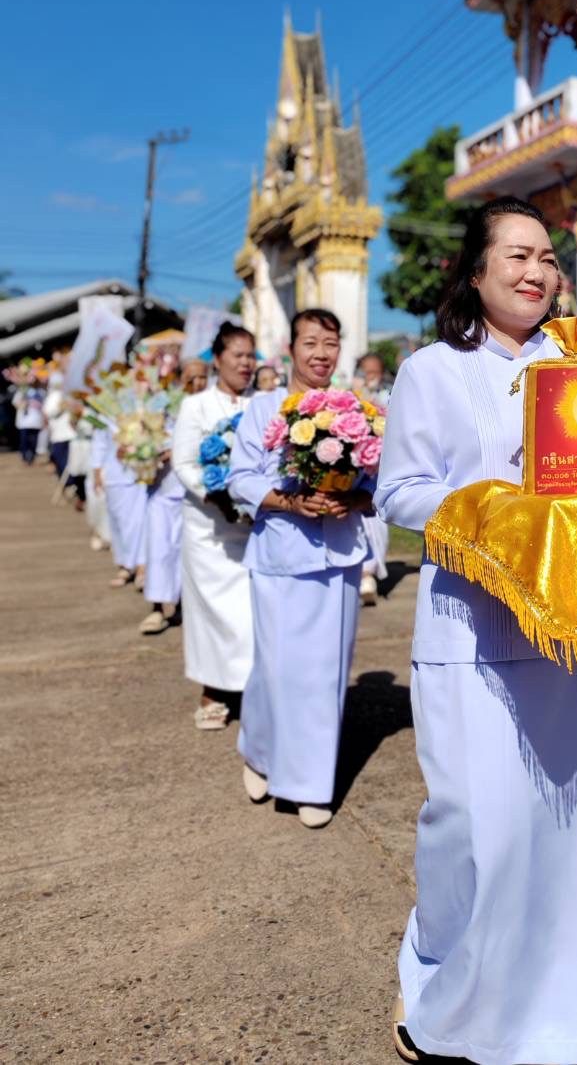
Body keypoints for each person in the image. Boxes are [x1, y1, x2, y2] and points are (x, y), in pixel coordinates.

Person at [376, 196, 577, 1065]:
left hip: (575, 634)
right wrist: (492, 513)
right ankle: (443, 994)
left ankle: (560, 1019)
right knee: (475, 827)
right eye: (516, 254)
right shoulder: (433, 370)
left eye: (548, 257)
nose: (536, 270)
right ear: (475, 271)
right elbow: (399, 490)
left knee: (571, 830)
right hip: (474, 627)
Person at [228, 308, 374, 829]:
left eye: (330, 343)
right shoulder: (262, 408)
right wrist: (289, 503)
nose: (320, 353)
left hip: (337, 557)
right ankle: (260, 752)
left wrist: (352, 500)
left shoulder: (358, 410)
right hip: (280, 556)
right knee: (275, 668)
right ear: (290, 348)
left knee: (324, 673)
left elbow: (379, 481)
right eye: (310, 342)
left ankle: (311, 783)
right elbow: (239, 476)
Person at [171, 324, 256, 729]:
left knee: (251, 613)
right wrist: (215, 496)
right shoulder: (196, 405)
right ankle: (212, 691)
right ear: (218, 359)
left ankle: (253, 688)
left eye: (251, 355)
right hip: (209, 528)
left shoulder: (264, 403)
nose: (245, 363)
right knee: (214, 614)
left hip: (255, 526)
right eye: (238, 355)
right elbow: (184, 463)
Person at [140, 362, 208, 636]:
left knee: (187, 554)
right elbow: (138, 436)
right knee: (158, 549)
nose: (198, 382)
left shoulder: (210, 406)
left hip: (193, 495)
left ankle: (183, 605)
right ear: (180, 379)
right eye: (192, 377)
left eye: (203, 377)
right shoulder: (161, 404)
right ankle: (157, 608)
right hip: (161, 492)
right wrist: (145, 453)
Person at [92, 415, 147, 588]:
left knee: (138, 523)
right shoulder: (105, 413)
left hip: (143, 474)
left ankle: (141, 568)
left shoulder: (146, 407)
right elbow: (99, 443)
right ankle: (124, 564)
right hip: (115, 475)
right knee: (118, 522)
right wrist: (97, 472)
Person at [353, 351, 390, 605]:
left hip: (383, 471)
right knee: (360, 528)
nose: (371, 377)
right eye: (366, 372)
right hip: (358, 471)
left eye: (375, 372)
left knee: (378, 527)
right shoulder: (350, 396)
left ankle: (371, 573)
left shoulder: (390, 395)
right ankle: (364, 575)